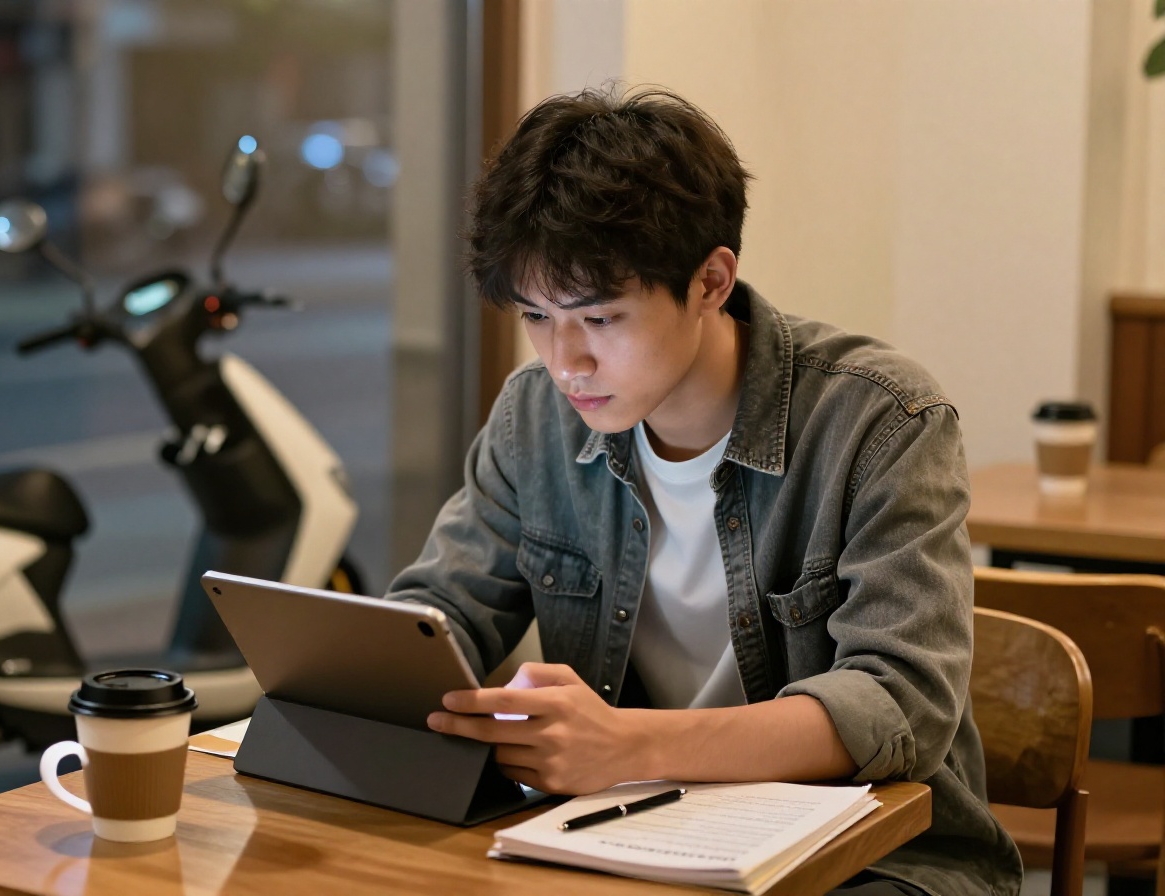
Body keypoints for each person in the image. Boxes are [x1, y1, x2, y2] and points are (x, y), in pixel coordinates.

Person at [384, 87, 1019, 895]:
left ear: (712, 280)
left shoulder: (880, 420)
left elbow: (901, 702)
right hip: (629, 835)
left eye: (601, 319)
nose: (564, 360)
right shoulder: (534, 418)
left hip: (876, 859)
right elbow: (442, 614)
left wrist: (630, 745)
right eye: (536, 317)